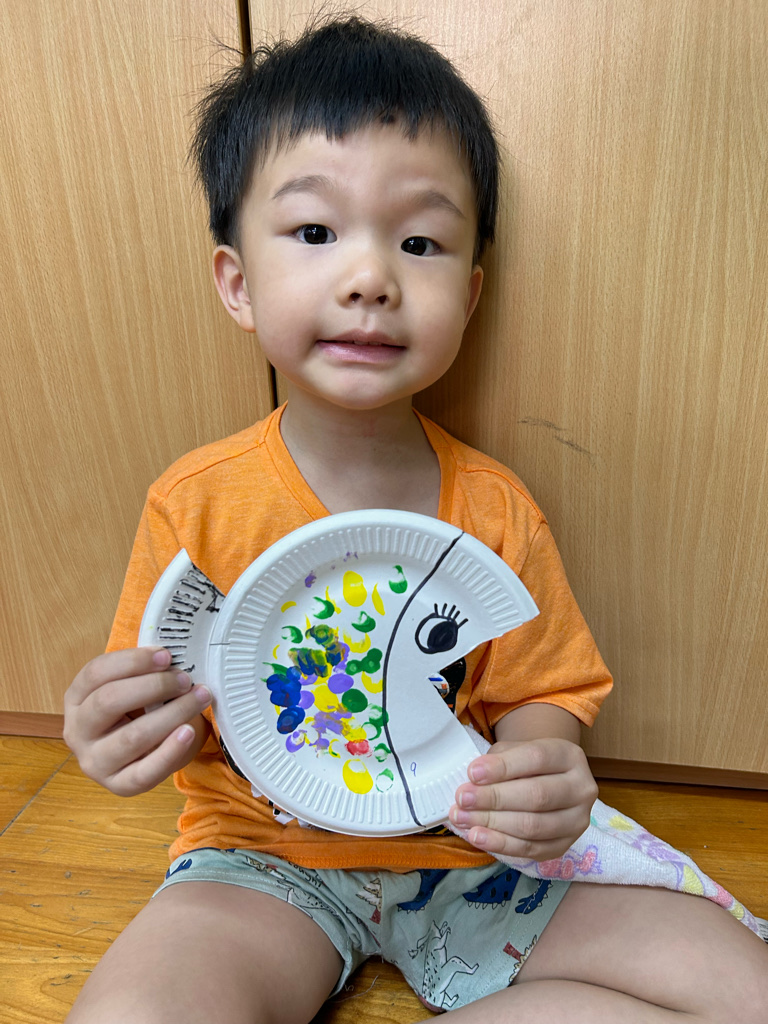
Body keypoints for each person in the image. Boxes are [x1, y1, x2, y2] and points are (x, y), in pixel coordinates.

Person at [62, 15, 768, 1023]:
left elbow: (544, 692)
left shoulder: (496, 509)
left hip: (475, 856)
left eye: (419, 242)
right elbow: (162, 693)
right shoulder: (198, 501)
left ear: (469, 296)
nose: (369, 278)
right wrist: (116, 730)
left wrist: (541, 772)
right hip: (264, 862)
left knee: (745, 986)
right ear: (238, 284)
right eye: (315, 233)